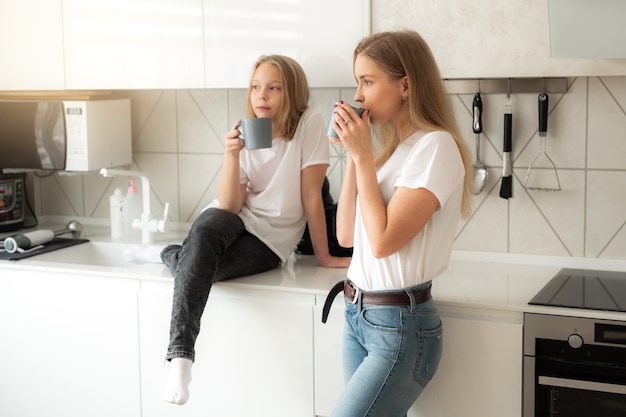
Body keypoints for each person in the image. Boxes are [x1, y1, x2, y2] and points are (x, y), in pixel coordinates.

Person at [159, 54, 350, 406]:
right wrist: (231, 156)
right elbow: (230, 205)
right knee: (204, 236)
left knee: (204, 270)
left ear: (290, 92)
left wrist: (324, 256)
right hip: (233, 218)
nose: (262, 95)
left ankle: (169, 254)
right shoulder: (247, 129)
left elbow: (311, 194)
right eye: (256, 87)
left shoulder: (308, 123)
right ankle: (180, 358)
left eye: (273, 88)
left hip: (270, 237)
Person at [327, 30, 472, 417]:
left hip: (399, 325)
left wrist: (362, 158)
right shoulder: (394, 153)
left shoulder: (436, 147)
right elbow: (345, 237)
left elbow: (384, 241)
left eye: (368, 81)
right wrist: (353, 159)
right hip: (358, 315)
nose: (358, 95)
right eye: (358, 82)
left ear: (405, 85)